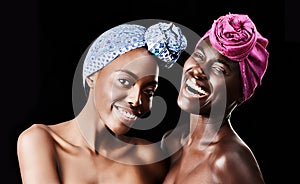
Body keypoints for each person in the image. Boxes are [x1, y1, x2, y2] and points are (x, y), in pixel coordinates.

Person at [17, 22, 187, 184]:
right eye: (124, 81)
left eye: (148, 91)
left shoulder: (148, 157)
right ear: (92, 76)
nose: (136, 100)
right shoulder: (41, 141)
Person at [162, 13, 269, 184]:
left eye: (219, 69)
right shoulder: (172, 142)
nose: (198, 70)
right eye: (199, 56)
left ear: (241, 94)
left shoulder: (229, 159)